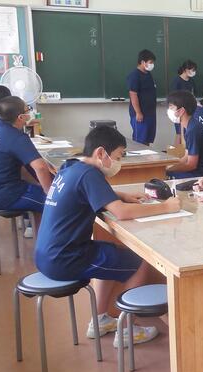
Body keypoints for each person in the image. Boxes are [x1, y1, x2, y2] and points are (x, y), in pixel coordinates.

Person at [34, 126, 181, 347]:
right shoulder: (90, 174)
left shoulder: (71, 166)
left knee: (107, 252)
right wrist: (166, 207)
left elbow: (84, 192)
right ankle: (127, 329)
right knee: (140, 261)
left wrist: (120, 195)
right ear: (101, 153)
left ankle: (101, 320)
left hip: (46, 255)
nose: (118, 163)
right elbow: (121, 213)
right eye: (118, 157)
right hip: (65, 259)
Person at [0, 96, 53, 224]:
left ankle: (36, 232)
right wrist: (50, 192)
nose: (29, 112)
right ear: (21, 117)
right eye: (27, 110)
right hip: (2, 195)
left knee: (38, 191)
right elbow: (40, 167)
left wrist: (38, 184)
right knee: (57, 202)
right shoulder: (17, 137)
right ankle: (49, 236)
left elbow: (20, 167)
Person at [166, 90, 203, 179]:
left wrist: (168, 170)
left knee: (162, 175)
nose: (169, 111)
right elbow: (187, 156)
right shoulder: (190, 125)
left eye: (171, 107)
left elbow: (191, 165)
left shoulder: (193, 130)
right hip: (200, 170)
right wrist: (171, 166)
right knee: (164, 172)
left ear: (181, 111)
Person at [127, 49, 158, 145]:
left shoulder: (148, 74)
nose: (152, 65)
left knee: (147, 140)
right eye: (150, 62)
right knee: (139, 141)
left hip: (150, 113)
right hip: (141, 114)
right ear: (143, 62)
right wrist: (138, 112)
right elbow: (133, 95)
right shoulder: (134, 75)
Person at [170, 60, 198, 145]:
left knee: (188, 131)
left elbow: (194, 95)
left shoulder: (191, 81)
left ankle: (187, 149)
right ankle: (177, 151)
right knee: (179, 132)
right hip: (179, 110)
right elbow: (173, 98)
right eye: (192, 70)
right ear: (186, 70)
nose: (194, 72)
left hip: (189, 110)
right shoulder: (177, 81)